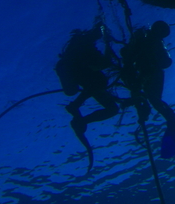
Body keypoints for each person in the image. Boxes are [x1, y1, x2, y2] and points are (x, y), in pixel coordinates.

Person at [120, 20, 175, 158]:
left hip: (152, 74)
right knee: (152, 100)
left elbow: (165, 61)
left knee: (154, 100)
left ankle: (170, 121)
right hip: (147, 74)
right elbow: (128, 55)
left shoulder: (152, 41)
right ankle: (169, 121)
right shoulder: (146, 39)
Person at [54, 22, 130, 152]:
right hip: (79, 76)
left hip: (85, 79)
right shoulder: (83, 47)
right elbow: (103, 64)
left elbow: (101, 65)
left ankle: (81, 119)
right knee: (91, 86)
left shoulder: (86, 47)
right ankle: (77, 110)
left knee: (111, 108)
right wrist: (107, 47)